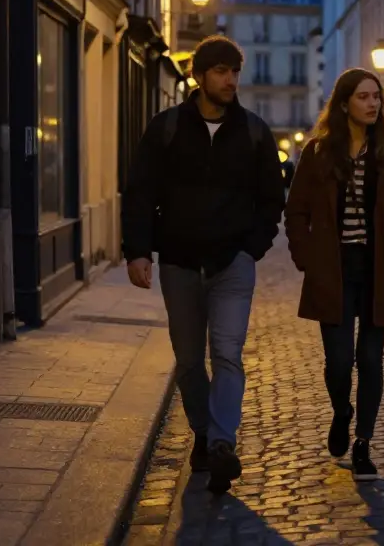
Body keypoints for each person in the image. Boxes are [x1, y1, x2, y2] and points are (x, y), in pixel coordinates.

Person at [121, 34, 285, 494]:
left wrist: (251, 247)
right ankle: (202, 430)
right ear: (199, 75)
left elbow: (272, 199)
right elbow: (140, 192)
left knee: (228, 355)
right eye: (221, 71)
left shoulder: (253, 131)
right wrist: (137, 250)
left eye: (235, 71)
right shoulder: (167, 127)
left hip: (232, 263)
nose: (231, 80)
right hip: (178, 262)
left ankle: (221, 444)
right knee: (190, 360)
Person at [285, 68, 384, 482]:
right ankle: (342, 411)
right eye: (363, 97)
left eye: (376, 97)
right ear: (344, 103)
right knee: (340, 361)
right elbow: (296, 211)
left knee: (371, 359)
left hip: (380, 270)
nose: (372, 103)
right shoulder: (318, 153)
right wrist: (306, 257)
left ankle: (363, 442)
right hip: (334, 270)